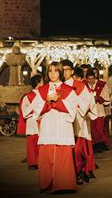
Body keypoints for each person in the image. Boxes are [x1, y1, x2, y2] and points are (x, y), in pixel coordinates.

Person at [31, 61, 78, 194]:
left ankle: (63, 184)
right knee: (47, 154)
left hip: (62, 125)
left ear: (60, 72)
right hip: (48, 125)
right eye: (50, 71)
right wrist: (46, 101)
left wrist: (58, 101)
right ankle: (46, 183)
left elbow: (73, 109)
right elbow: (36, 108)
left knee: (62, 154)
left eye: (55, 71)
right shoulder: (42, 90)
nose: (52, 73)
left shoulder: (69, 91)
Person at [61, 60, 97, 185]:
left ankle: (79, 172)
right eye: (62, 69)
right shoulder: (56, 86)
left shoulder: (80, 86)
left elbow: (87, 101)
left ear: (71, 71)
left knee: (77, 150)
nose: (64, 72)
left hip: (77, 121)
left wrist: (73, 106)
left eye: (67, 69)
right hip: (61, 122)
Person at [17, 74, 43, 170]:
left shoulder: (43, 94)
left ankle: (40, 161)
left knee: (40, 143)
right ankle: (32, 162)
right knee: (32, 143)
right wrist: (35, 110)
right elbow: (25, 112)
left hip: (41, 122)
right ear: (38, 82)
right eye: (42, 81)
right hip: (32, 122)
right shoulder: (28, 96)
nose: (43, 82)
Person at [86, 69, 111, 152]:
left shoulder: (101, 85)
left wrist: (98, 98)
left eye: (92, 78)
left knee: (99, 129)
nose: (91, 81)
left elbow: (106, 100)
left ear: (95, 77)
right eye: (89, 79)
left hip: (99, 110)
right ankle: (94, 145)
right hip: (89, 112)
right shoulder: (84, 86)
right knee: (91, 130)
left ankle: (99, 145)